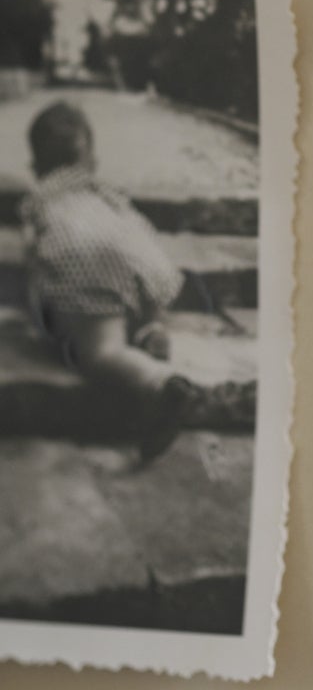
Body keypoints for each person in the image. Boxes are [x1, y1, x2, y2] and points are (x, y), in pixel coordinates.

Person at [19, 101, 254, 463]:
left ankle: (165, 387)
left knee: (102, 353)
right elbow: (134, 233)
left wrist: (43, 312)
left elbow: (38, 257)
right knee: (132, 291)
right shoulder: (103, 192)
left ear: (36, 166)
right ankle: (149, 328)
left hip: (87, 269)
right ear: (89, 158)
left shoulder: (42, 200)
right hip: (141, 258)